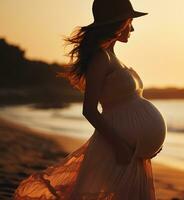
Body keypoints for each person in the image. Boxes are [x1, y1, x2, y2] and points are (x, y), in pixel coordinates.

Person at [13, 0, 167, 199]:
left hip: (131, 152)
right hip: (115, 149)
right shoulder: (100, 59)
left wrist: (147, 145)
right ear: (118, 23)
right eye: (130, 21)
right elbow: (89, 110)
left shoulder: (114, 58)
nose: (133, 28)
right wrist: (120, 145)